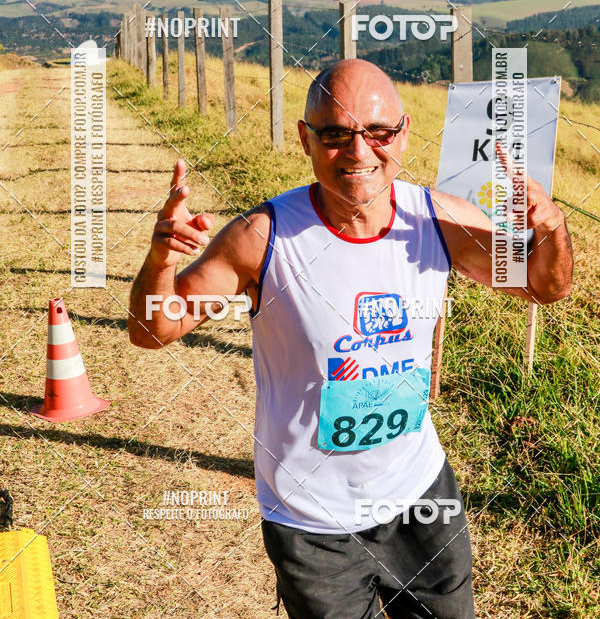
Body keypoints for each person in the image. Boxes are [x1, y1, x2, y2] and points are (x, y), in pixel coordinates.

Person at [129, 59, 573, 618]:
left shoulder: (437, 222)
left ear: (403, 134)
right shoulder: (261, 239)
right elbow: (153, 330)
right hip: (314, 523)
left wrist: (551, 228)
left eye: (378, 133)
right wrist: (161, 260)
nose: (359, 153)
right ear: (304, 140)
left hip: (420, 499)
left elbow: (543, 287)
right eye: (335, 135)